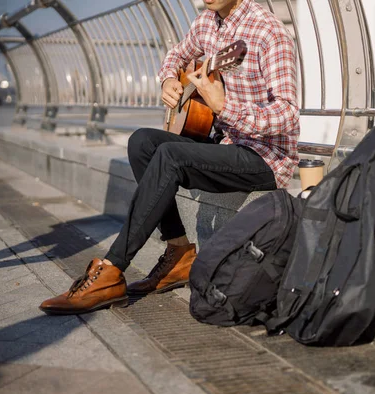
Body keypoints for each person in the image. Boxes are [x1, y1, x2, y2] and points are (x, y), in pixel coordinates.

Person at [39, 0, 299, 315]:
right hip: (226, 145)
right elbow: (176, 55)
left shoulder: (269, 32)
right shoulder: (206, 23)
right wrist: (168, 80)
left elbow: (287, 115)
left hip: (265, 157)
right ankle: (178, 252)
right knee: (142, 142)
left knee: (170, 154)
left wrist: (224, 108)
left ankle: (111, 270)